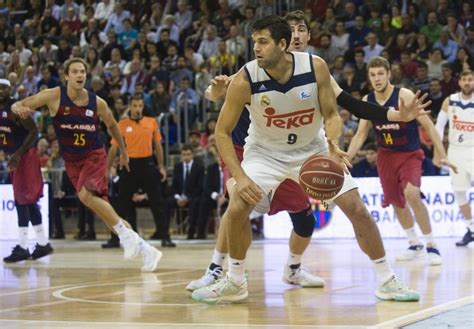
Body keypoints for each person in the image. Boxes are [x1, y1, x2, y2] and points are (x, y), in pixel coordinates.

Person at [187, 10, 431, 295]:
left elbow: (333, 112)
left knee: (357, 210)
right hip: (265, 153)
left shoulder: (315, 67)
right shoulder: (246, 78)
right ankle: (235, 280)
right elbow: (221, 132)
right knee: (238, 206)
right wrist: (240, 176)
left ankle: (387, 279)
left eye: (263, 42)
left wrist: (332, 141)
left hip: (311, 150)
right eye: (255, 42)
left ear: (282, 43)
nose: (256, 48)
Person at [11, 58, 161, 272]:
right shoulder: (54, 96)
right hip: (72, 161)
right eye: (75, 72)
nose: (80, 75)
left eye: (82, 71)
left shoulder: (97, 102)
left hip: (94, 155)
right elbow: (22, 104)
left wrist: (124, 152)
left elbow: (113, 126)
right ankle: (146, 249)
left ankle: (128, 237)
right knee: (106, 213)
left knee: (84, 195)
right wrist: (18, 108)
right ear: (66, 76)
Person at [348, 56, 456, 266]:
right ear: (369, 78)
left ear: (389, 74)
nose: (377, 78)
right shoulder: (367, 101)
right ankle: (414, 244)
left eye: (381, 74)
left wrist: (441, 153)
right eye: (373, 75)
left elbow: (429, 127)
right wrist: (347, 158)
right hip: (385, 155)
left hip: (409, 154)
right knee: (396, 200)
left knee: (412, 194)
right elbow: (361, 134)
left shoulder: (403, 95)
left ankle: (432, 244)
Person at [106, 94, 173, 248]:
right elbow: (113, 148)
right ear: (130, 106)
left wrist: (161, 166)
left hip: (148, 164)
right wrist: (108, 168)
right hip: (129, 165)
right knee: (122, 204)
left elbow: (158, 146)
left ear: (143, 106)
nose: (137, 109)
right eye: (135, 106)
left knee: (157, 202)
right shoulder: (122, 124)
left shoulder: (151, 122)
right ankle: (116, 238)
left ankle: (165, 236)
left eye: (140, 106)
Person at [0, 79, 53, 263]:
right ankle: (43, 243)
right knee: (24, 200)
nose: (0, 91)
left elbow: (34, 131)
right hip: (15, 157)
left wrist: (17, 154)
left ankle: (23, 247)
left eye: (3, 88)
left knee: (25, 200)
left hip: (25, 156)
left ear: (9, 89)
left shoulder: (15, 108)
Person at [435, 70, 474, 246]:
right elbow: (438, 127)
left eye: (471, 80)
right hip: (455, 151)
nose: (467, 82)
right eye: (464, 79)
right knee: (459, 192)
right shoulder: (449, 100)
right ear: (459, 82)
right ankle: (471, 229)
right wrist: (438, 151)